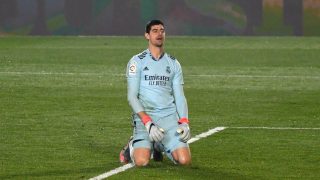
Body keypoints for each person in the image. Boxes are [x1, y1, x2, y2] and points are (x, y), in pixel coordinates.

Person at [119, 20, 191, 166]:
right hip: (146, 118)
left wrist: (184, 122)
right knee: (141, 162)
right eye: (155, 31)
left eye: (162, 30)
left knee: (184, 160)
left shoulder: (174, 63)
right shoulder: (136, 62)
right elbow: (132, 97)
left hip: (169, 118)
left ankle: (158, 145)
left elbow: (179, 96)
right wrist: (148, 123)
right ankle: (131, 145)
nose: (159, 34)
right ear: (147, 35)